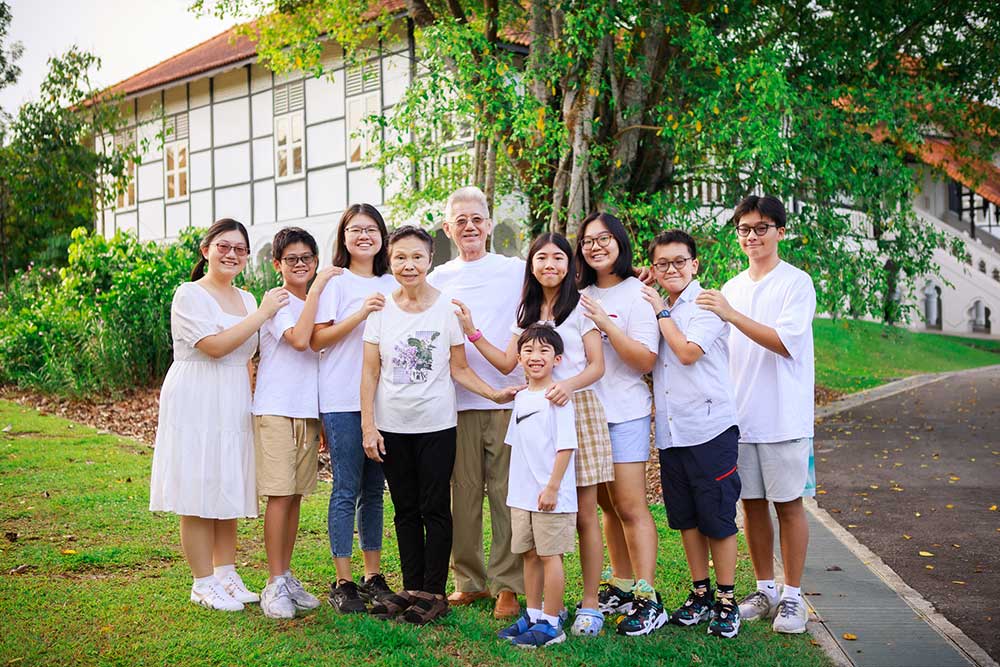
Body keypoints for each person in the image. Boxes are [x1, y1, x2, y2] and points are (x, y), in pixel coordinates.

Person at [360, 225, 523, 625]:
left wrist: (493, 393)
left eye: (417, 257)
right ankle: (412, 586)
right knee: (404, 509)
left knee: (435, 507)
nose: (408, 264)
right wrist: (369, 426)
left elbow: (460, 368)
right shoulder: (381, 310)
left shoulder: (447, 307)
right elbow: (368, 374)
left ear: (430, 261)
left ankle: (434, 591)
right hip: (392, 425)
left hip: (436, 425)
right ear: (391, 261)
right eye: (400, 257)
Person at [454, 232, 611, 637]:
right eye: (541, 258)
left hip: (576, 409)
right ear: (532, 265)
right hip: (535, 416)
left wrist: (568, 385)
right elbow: (508, 362)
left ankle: (590, 603)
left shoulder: (580, 307)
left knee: (583, 514)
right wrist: (472, 331)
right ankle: (539, 610)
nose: (549, 266)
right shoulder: (524, 310)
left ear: (570, 264)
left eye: (558, 258)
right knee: (541, 507)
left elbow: (596, 366)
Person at [149, 218, 289, 611]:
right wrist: (262, 314)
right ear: (206, 249)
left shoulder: (246, 299)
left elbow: (249, 356)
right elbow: (214, 346)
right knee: (197, 487)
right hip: (196, 396)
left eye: (240, 249)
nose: (232, 254)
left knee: (227, 482)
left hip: (233, 397)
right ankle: (202, 582)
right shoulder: (189, 294)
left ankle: (226, 573)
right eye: (224, 246)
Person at [696, 195, 817, 634]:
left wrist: (731, 314)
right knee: (751, 506)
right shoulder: (731, 286)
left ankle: (793, 597)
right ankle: (765, 589)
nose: (752, 236)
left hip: (784, 417)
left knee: (788, 505)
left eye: (761, 227)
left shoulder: (796, 283)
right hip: (739, 419)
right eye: (745, 229)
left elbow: (785, 342)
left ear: (780, 231)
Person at [427, 186, 526, 619]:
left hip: (510, 398)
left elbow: (565, 285)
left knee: (506, 495)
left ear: (489, 225)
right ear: (448, 228)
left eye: (476, 219)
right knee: (462, 497)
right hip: (456, 403)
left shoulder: (516, 270)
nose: (469, 226)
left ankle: (508, 584)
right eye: (459, 220)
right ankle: (469, 580)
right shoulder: (436, 279)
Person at [641, 229, 742, 639]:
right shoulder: (662, 303)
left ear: (694, 264)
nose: (671, 269)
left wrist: (660, 314)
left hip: (710, 429)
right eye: (662, 263)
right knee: (685, 517)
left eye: (679, 261)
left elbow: (686, 352)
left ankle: (726, 600)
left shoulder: (706, 304)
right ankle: (700, 592)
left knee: (716, 517)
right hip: (671, 432)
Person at [575, 212, 662, 636]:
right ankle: (622, 584)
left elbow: (645, 359)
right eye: (588, 240)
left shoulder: (639, 294)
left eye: (604, 238)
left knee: (630, 506)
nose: (596, 246)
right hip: (588, 415)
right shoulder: (578, 293)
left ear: (620, 242)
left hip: (625, 412)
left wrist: (605, 322)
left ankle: (648, 598)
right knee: (606, 507)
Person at [311, 204, 398, 614]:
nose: (364, 236)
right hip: (343, 399)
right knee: (346, 487)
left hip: (386, 401)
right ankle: (343, 581)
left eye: (371, 229)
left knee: (374, 491)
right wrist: (360, 313)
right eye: (355, 229)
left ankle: (372, 575)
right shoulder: (335, 281)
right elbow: (317, 339)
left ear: (382, 235)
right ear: (343, 237)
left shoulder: (393, 279)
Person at [252, 227, 330, 619]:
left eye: (307, 259)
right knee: (280, 495)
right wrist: (315, 292)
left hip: (307, 411)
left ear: (315, 260)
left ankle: (286, 576)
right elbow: (301, 341)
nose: (301, 265)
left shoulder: (315, 300)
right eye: (292, 259)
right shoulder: (278, 301)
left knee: (296, 494)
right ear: (277, 264)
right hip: (276, 408)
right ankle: (273, 581)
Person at [497, 325, 578, 649]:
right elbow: (517, 447)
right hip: (522, 494)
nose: (535, 356)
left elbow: (565, 447)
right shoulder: (521, 398)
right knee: (529, 554)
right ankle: (532, 614)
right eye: (528, 350)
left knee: (549, 555)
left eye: (544, 351)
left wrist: (552, 488)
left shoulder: (556, 398)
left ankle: (552, 621)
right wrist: (518, 490)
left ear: (557, 359)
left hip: (551, 495)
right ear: (519, 358)